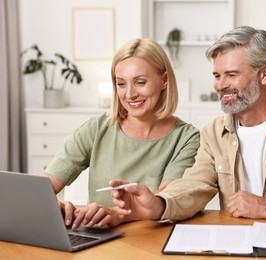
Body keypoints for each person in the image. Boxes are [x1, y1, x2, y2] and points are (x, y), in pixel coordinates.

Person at [110, 26, 266, 223]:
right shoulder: (213, 133)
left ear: (265, 73)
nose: (221, 85)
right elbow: (194, 185)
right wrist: (158, 204)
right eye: (217, 75)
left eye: (231, 75)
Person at [42, 38, 200, 229]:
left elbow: (166, 200)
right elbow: (44, 186)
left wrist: (117, 214)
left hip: (151, 242)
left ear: (164, 80)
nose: (130, 94)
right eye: (121, 84)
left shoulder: (186, 138)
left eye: (140, 82)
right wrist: (52, 206)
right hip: (96, 242)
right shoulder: (96, 128)